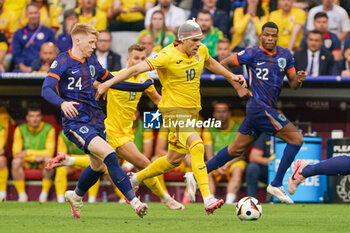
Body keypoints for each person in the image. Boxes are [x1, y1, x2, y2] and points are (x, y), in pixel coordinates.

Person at [95, 19, 247, 214]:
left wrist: (231, 76)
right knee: (197, 145)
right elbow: (134, 69)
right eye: (194, 40)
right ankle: (207, 198)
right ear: (182, 40)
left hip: (191, 112)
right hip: (173, 112)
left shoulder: (200, 50)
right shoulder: (166, 56)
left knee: (173, 159)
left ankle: (136, 179)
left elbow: (210, 62)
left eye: (200, 39)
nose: (199, 44)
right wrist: (108, 83)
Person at [48, 44, 184, 209]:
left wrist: (174, 110)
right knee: (145, 164)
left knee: (100, 165)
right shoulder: (115, 77)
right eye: (136, 58)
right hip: (111, 131)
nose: (139, 62)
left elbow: (157, 100)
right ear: (127, 59)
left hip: (127, 132)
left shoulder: (145, 80)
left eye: (143, 59)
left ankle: (71, 167)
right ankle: (166, 199)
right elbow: (93, 84)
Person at [41, 23, 153, 218]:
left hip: (96, 119)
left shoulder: (92, 61)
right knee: (110, 155)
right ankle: (135, 202)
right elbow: (46, 89)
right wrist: (62, 103)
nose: (95, 46)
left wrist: (141, 87)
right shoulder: (63, 60)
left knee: (98, 166)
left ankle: (75, 196)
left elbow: (111, 80)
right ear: (78, 40)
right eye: (92, 42)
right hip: (76, 122)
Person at [188, 21, 306, 204]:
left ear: (277, 37)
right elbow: (224, 64)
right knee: (296, 139)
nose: (270, 38)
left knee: (235, 150)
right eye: (266, 35)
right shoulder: (252, 53)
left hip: (265, 109)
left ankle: (196, 174)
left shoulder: (285, 55)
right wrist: (238, 87)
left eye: (273, 36)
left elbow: (293, 84)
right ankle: (276, 183)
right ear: (261, 36)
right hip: (258, 107)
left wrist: (298, 81)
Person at [202, 102, 246, 205]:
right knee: (206, 169)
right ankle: (210, 201)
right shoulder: (209, 128)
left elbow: (241, 153)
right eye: (218, 112)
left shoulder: (238, 128)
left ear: (229, 114)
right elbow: (209, 154)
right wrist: (217, 166)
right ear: (214, 114)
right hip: (215, 162)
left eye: (224, 112)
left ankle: (229, 202)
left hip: (233, 162)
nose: (221, 114)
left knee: (238, 169)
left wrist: (226, 165)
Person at [11, 104, 55, 202]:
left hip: (41, 163)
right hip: (26, 162)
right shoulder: (20, 129)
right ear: (27, 118)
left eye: (37, 116)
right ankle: (22, 196)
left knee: (49, 160)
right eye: (31, 116)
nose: (34, 119)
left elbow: (49, 152)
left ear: (41, 117)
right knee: (15, 162)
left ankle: (44, 195)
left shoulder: (49, 129)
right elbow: (16, 153)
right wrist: (34, 157)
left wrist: (27, 152)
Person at [54, 130, 101, 203]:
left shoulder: (88, 132)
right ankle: (60, 200)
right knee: (61, 169)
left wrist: (71, 157)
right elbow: (62, 155)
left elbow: (94, 155)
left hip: (87, 162)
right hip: (72, 165)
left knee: (95, 168)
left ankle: (92, 200)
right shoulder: (63, 134)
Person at [12, 2, 55, 73]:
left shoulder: (48, 32)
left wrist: (46, 67)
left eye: (35, 13)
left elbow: (51, 53)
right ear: (26, 15)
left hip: (43, 68)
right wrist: (23, 68)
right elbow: (16, 54)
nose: (33, 16)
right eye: (31, 13)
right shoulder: (18, 33)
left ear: (39, 14)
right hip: (23, 69)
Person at [246, 133, 274, 199]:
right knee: (252, 167)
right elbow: (253, 157)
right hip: (267, 169)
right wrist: (271, 162)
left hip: (286, 170)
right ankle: (251, 199)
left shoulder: (290, 135)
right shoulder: (266, 135)